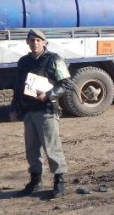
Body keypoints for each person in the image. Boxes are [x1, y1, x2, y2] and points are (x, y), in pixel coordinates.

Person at [10, 29, 74, 198]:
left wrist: (48, 95)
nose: (35, 43)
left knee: (52, 148)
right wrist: (14, 108)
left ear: (45, 42)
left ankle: (59, 181)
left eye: (39, 40)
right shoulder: (23, 62)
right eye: (32, 40)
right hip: (29, 111)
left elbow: (67, 84)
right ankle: (35, 181)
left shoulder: (54, 60)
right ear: (27, 42)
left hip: (46, 110)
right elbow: (18, 87)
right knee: (31, 149)